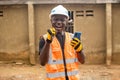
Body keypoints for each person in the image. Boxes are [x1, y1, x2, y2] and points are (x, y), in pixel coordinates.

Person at [39, 5, 85, 80]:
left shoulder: (73, 38)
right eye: (56, 19)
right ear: (51, 21)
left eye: (62, 20)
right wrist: (48, 42)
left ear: (67, 21)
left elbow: (82, 61)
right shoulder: (44, 39)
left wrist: (79, 50)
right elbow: (42, 63)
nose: (59, 22)